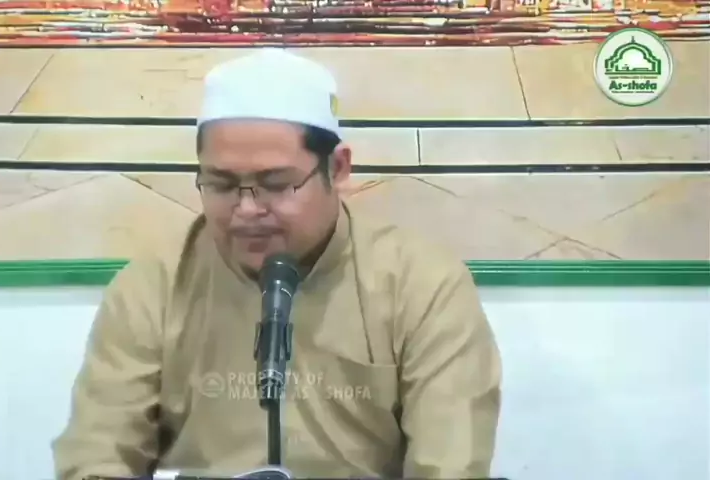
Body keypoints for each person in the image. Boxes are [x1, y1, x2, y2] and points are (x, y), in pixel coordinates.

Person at [52, 48, 502, 480]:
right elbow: (98, 452)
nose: (247, 210)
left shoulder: (423, 287)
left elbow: (450, 466)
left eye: (275, 184)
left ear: (338, 169)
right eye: (221, 184)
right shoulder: (154, 287)